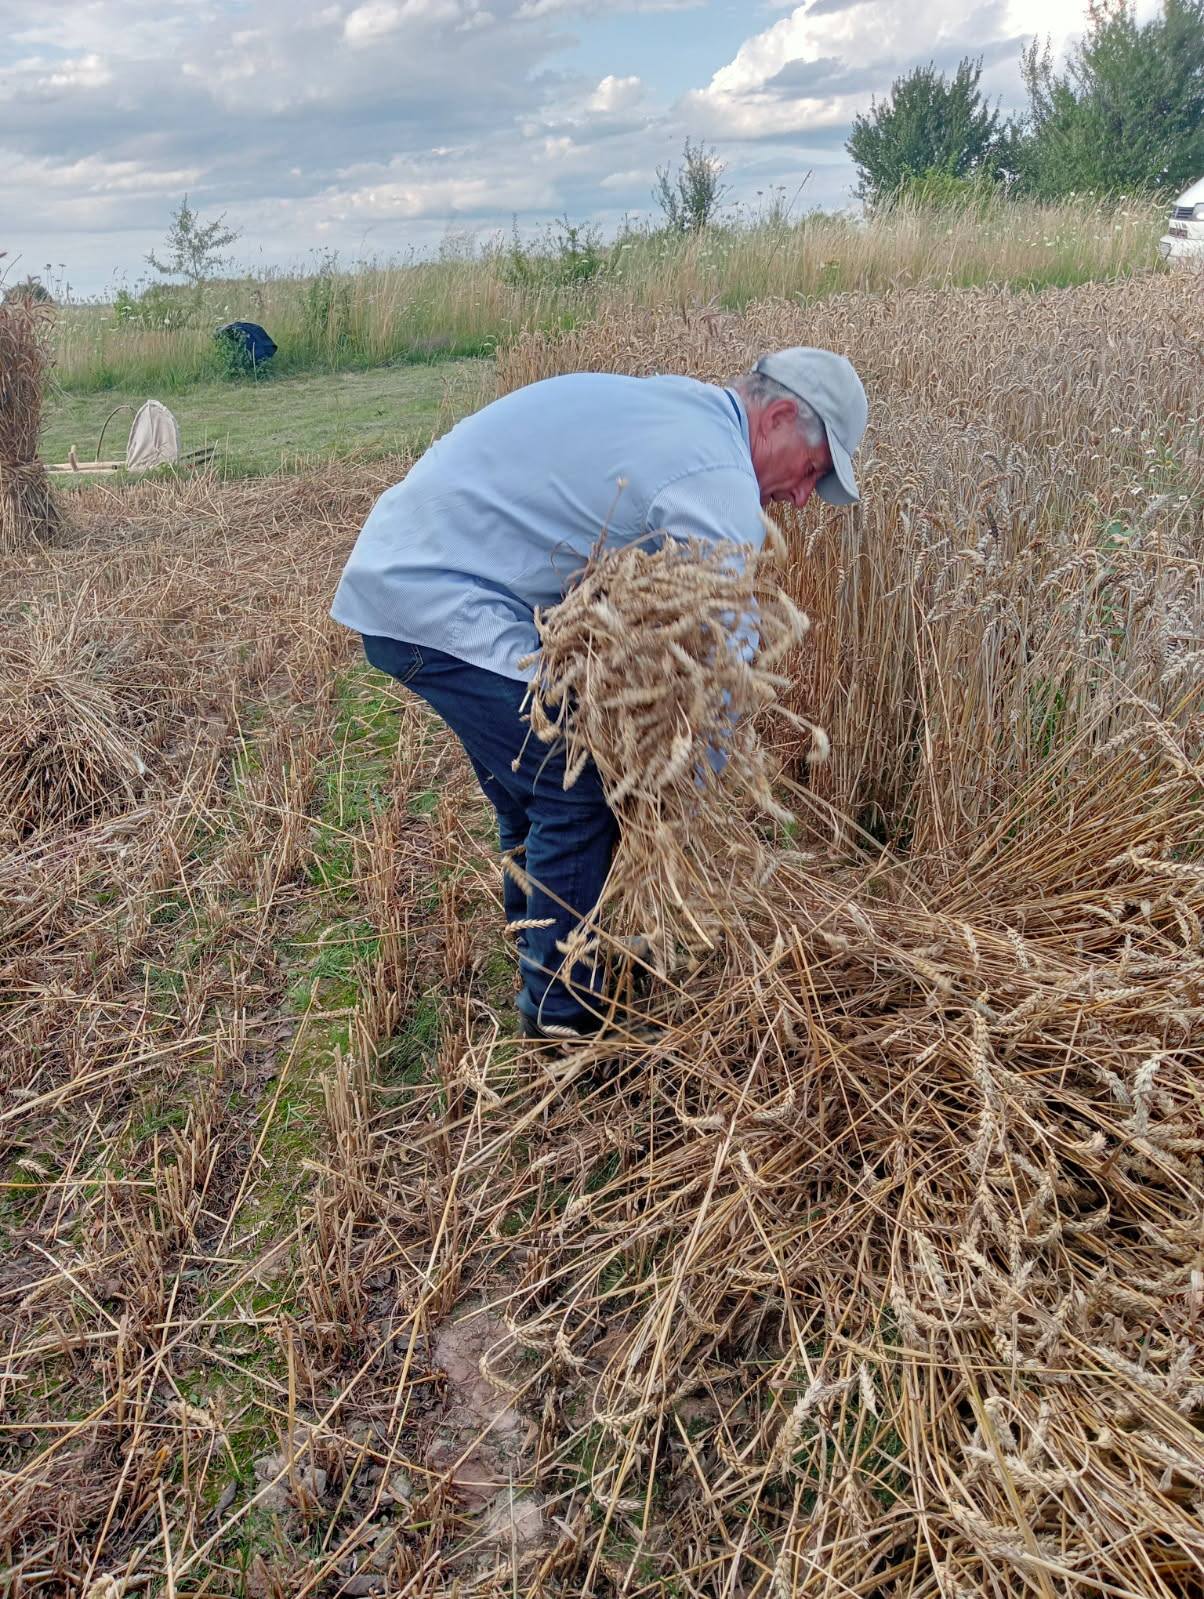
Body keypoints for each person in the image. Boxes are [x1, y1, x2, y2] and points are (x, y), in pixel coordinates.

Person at [330, 348, 867, 1039]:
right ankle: (564, 1022)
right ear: (783, 416)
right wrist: (682, 796)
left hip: (411, 567)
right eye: (812, 472)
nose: (799, 498)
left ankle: (543, 951)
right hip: (437, 593)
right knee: (572, 787)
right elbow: (727, 674)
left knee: (533, 783)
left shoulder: (687, 410)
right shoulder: (717, 478)